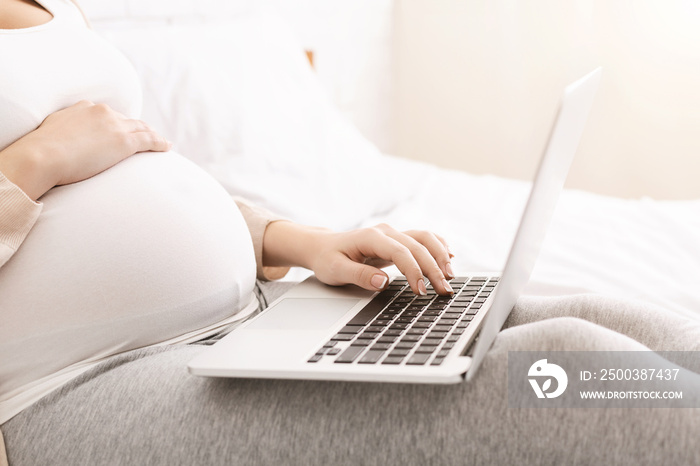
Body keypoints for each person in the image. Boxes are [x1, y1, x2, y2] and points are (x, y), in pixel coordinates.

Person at [1, 1, 700, 465]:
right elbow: (70, 163)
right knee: (561, 366)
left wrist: (302, 241)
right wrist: (38, 160)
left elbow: (138, 172)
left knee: (592, 314)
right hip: (81, 383)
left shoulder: (56, 11)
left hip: (253, 316)